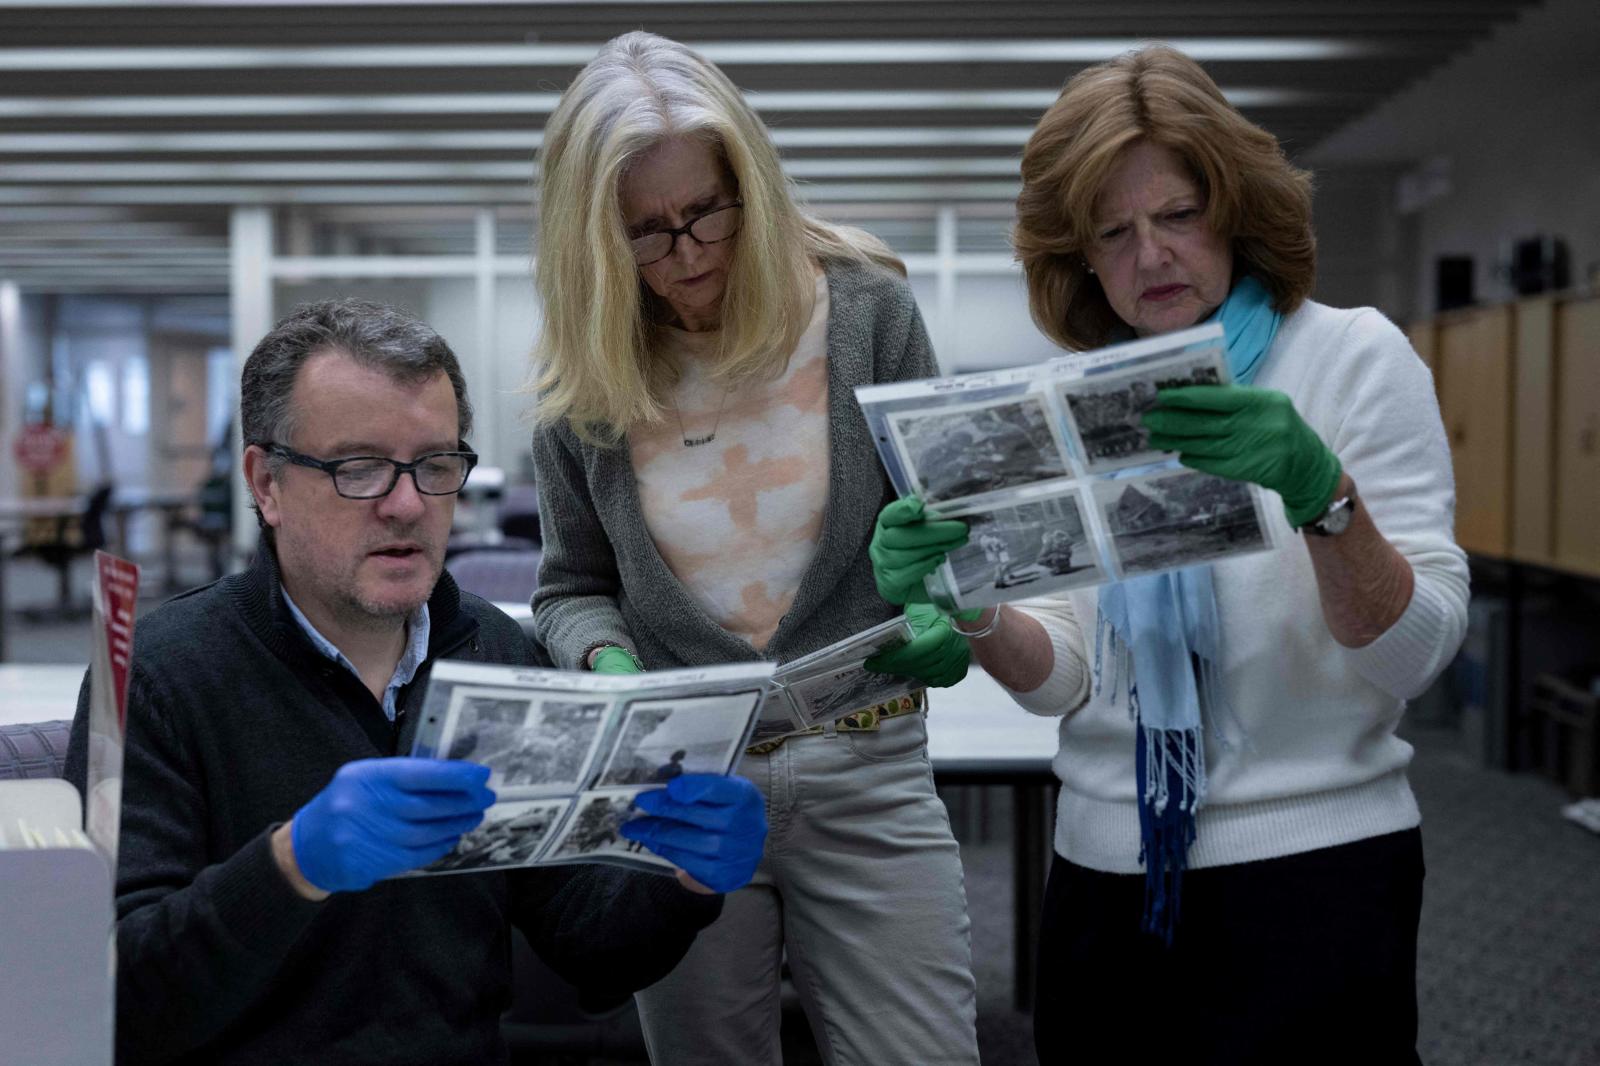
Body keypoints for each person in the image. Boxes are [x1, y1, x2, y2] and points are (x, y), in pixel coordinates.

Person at [869, 45, 1469, 1064]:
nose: (1150, 256)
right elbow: (1062, 679)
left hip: (1315, 864)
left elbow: (1414, 655)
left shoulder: (1353, 356)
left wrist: (1323, 498)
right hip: (1100, 875)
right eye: (1114, 231)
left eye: (1178, 216)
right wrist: (966, 603)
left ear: (1235, 210)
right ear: (1080, 257)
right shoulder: (1067, 401)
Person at [64, 298, 767, 1066]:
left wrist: (684, 882)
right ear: (266, 483)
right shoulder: (158, 672)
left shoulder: (492, 655)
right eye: (359, 467)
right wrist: (290, 867)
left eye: (435, 466)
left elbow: (588, 955)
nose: (408, 506)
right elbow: (105, 1000)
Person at [528, 31, 980, 1066]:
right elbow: (572, 589)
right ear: (593, 243)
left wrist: (943, 608)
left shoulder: (866, 312)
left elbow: (956, 527)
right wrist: (608, 667)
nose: (687, 254)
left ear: (751, 187)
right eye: (644, 233)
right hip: (687, 781)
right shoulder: (590, 377)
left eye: (706, 213)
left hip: (866, 759)